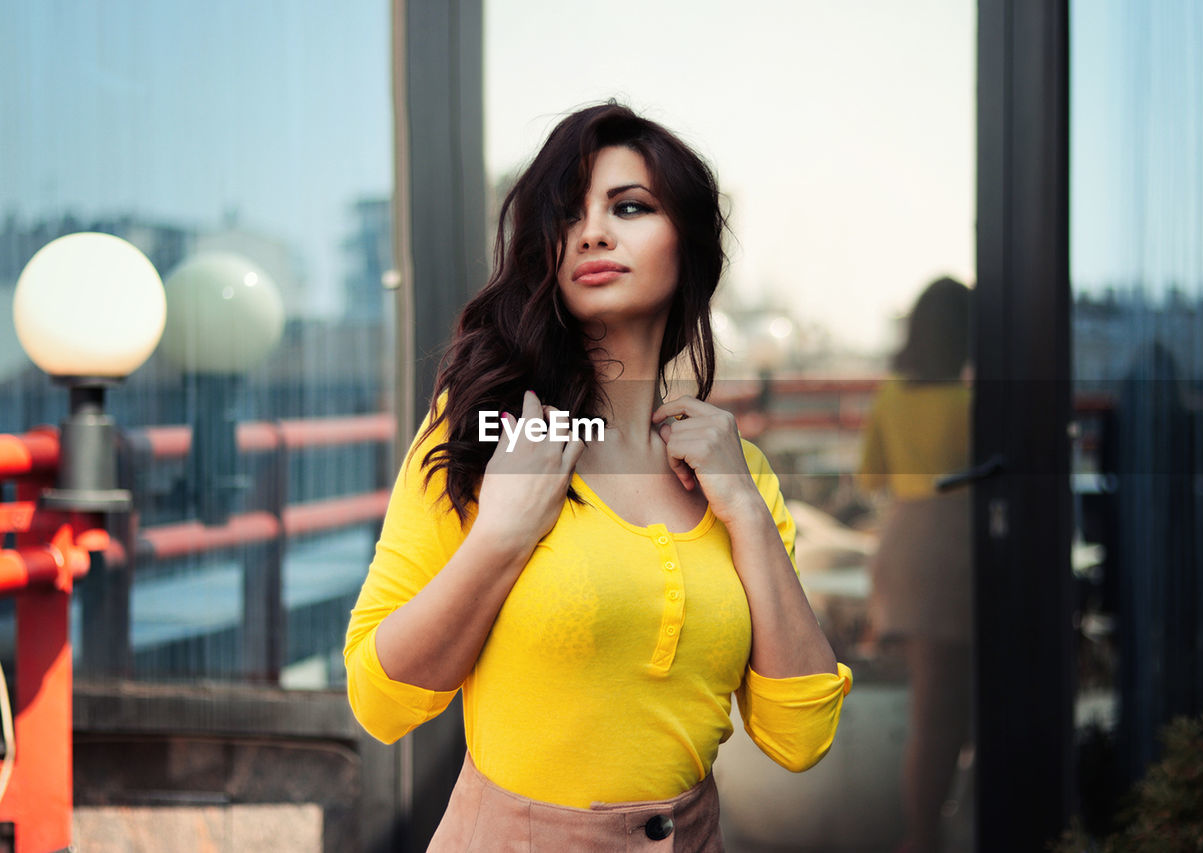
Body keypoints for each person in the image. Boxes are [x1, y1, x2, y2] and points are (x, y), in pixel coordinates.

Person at [344, 102, 852, 851]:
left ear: (690, 241)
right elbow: (378, 698)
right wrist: (502, 536)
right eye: (567, 214)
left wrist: (742, 506)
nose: (593, 231)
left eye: (630, 206)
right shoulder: (487, 431)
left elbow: (800, 735)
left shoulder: (732, 472)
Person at [857, 276, 973, 853]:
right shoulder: (974, 400)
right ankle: (923, 838)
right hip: (956, 549)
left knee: (933, 708)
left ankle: (923, 835)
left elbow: (871, 476)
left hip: (904, 544)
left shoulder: (893, 393)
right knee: (953, 712)